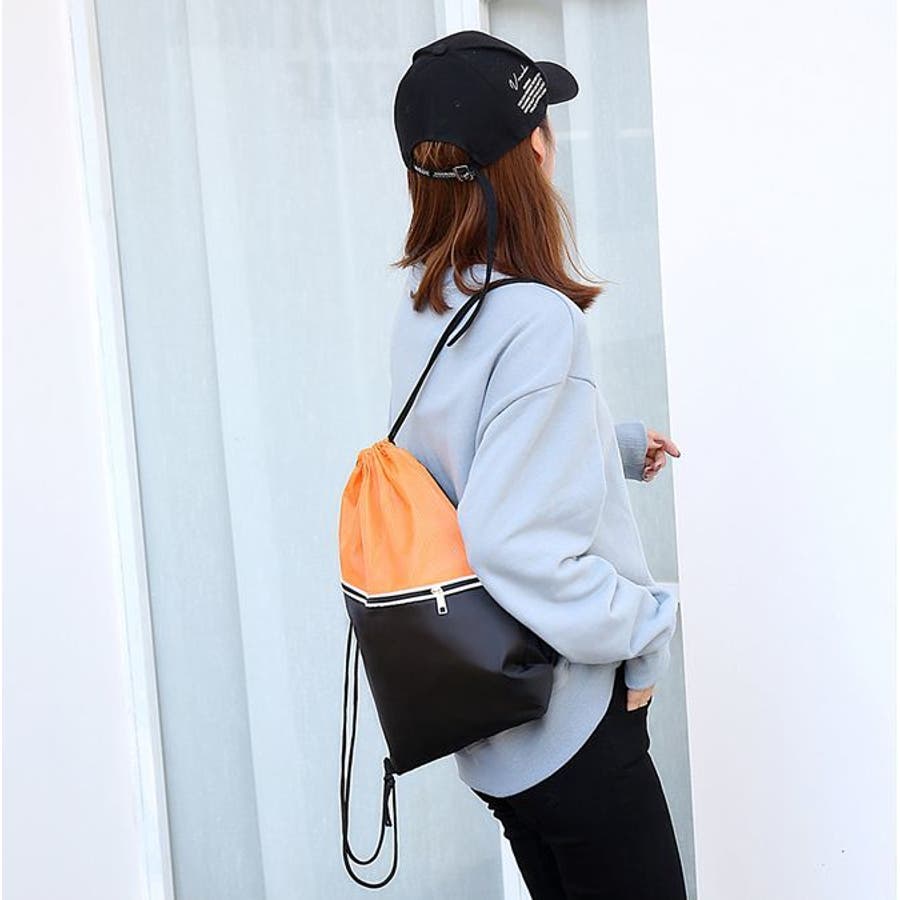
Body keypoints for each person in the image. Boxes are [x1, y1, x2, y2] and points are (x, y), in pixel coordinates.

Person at [389, 30, 687, 899]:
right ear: (531, 152)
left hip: (496, 732)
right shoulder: (536, 321)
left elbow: (460, 466)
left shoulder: (430, 302)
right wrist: (645, 631)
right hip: (571, 724)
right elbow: (510, 541)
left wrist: (607, 447)